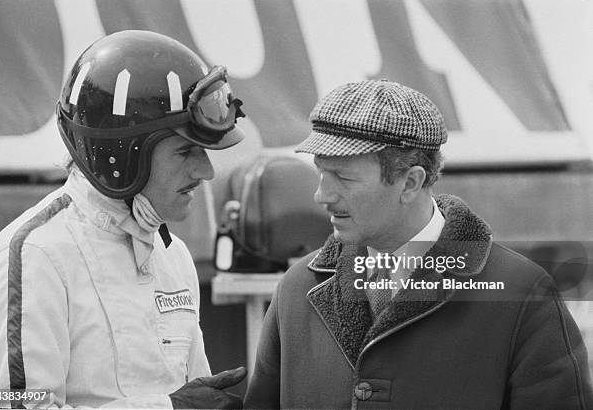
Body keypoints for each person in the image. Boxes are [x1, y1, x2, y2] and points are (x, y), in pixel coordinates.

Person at [244, 80, 593, 409]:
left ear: (410, 182)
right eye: (321, 171)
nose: (322, 195)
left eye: (344, 178)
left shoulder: (523, 294)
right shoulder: (296, 288)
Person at [0, 30, 247, 409]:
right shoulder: (35, 257)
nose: (206, 171)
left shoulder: (173, 256)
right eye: (187, 151)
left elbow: (188, 397)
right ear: (120, 154)